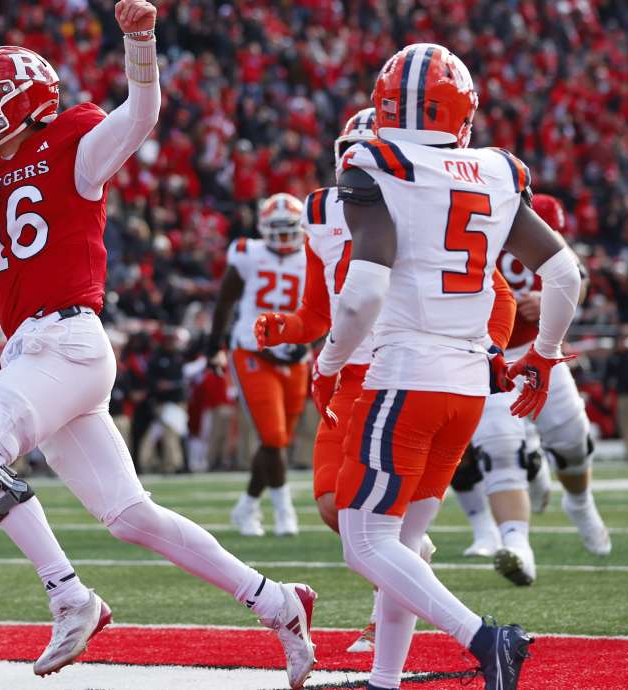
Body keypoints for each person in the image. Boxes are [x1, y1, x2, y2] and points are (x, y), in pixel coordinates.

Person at [0, 3, 316, 686]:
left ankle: (69, 596)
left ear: (28, 101)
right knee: (131, 517)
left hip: (66, 340)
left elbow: (141, 114)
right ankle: (277, 602)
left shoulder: (72, 139)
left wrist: (140, 43)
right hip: (41, 351)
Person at [313, 43, 578, 688]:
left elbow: (365, 291)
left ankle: (487, 640)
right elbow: (566, 273)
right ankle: (385, 679)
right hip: (466, 388)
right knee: (401, 544)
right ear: (462, 110)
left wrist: (328, 362)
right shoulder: (495, 170)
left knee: (363, 542)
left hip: (405, 376)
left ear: (383, 105)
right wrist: (544, 354)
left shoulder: (372, 162)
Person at [254, 107, 516, 649]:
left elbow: (501, 295)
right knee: (334, 506)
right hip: (348, 376)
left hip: (401, 372)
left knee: (377, 523)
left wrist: (489, 345)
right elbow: (319, 311)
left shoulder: (428, 205)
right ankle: (414, 577)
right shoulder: (320, 210)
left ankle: (392, 623)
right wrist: (287, 327)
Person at [453, 192, 612, 570]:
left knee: (572, 440)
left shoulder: (539, 220)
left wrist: (548, 299)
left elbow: (577, 278)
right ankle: (516, 545)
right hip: (487, 352)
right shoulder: (467, 224)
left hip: (539, 347)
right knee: (499, 448)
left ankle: (580, 503)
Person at [208, 193, 309, 537]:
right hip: (253, 352)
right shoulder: (248, 253)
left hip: (295, 356)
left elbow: (325, 307)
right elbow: (225, 301)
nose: (283, 235)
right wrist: (213, 345)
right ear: (263, 228)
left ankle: (247, 506)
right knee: (273, 436)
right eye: (276, 228)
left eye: (289, 228)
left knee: (276, 442)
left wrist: (311, 342)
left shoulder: (314, 255)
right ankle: (284, 513)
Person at [137, 328, 188, 474]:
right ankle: (172, 464)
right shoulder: (156, 358)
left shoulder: (179, 357)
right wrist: (159, 385)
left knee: (172, 432)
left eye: (173, 340)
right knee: (169, 432)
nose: (171, 343)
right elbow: (150, 379)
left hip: (178, 401)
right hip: (163, 402)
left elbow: (183, 378)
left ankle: (161, 462)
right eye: (169, 340)